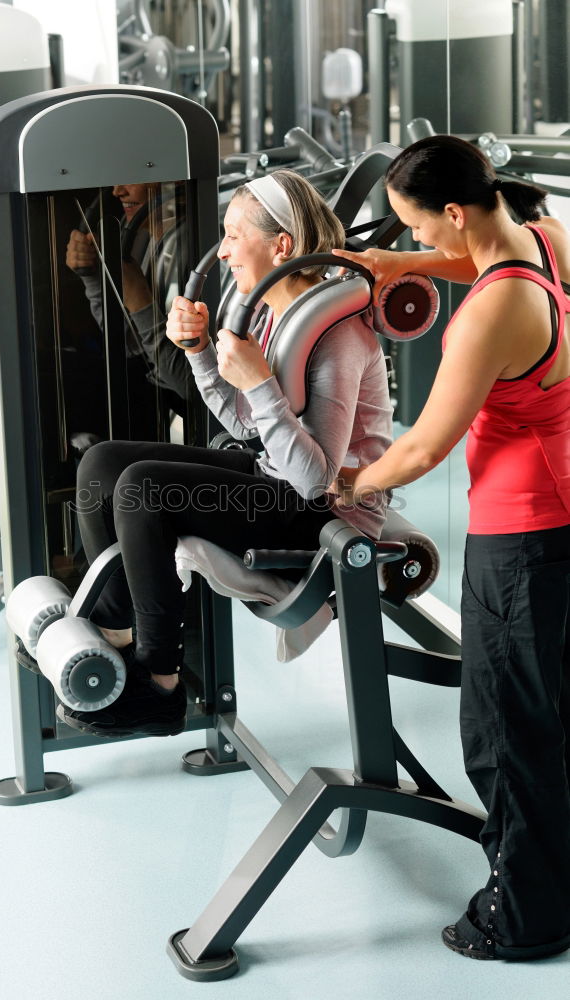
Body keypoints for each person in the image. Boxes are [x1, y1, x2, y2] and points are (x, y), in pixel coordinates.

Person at [331, 134, 570, 962]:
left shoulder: (493, 314)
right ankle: (555, 881)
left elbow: (424, 447)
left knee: (503, 730)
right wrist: (401, 268)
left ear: (457, 212)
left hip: (522, 538)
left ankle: (526, 916)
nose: (418, 243)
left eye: (419, 230)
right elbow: (475, 262)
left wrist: (348, 485)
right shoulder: (541, 242)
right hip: (559, 516)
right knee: (550, 717)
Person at [57, 168, 393, 740]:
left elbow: (316, 480)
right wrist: (198, 353)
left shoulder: (337, 334)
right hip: (277, 476)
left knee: (143, 487)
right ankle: (115, 636)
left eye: (235, 235)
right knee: (103, 465)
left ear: (280, 246)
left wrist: (260, 384)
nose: (225, 249)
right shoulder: (270, 313)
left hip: (330, 512)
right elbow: (246, 424)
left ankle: (161, 684)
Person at [66, 181, 194, 422]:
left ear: (173, 182)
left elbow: (192, 387)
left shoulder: (193, 244)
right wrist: (91, 277)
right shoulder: (138, 238)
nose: (117, 191)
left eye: (132, 178)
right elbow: (128, 344)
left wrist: (142, 304)